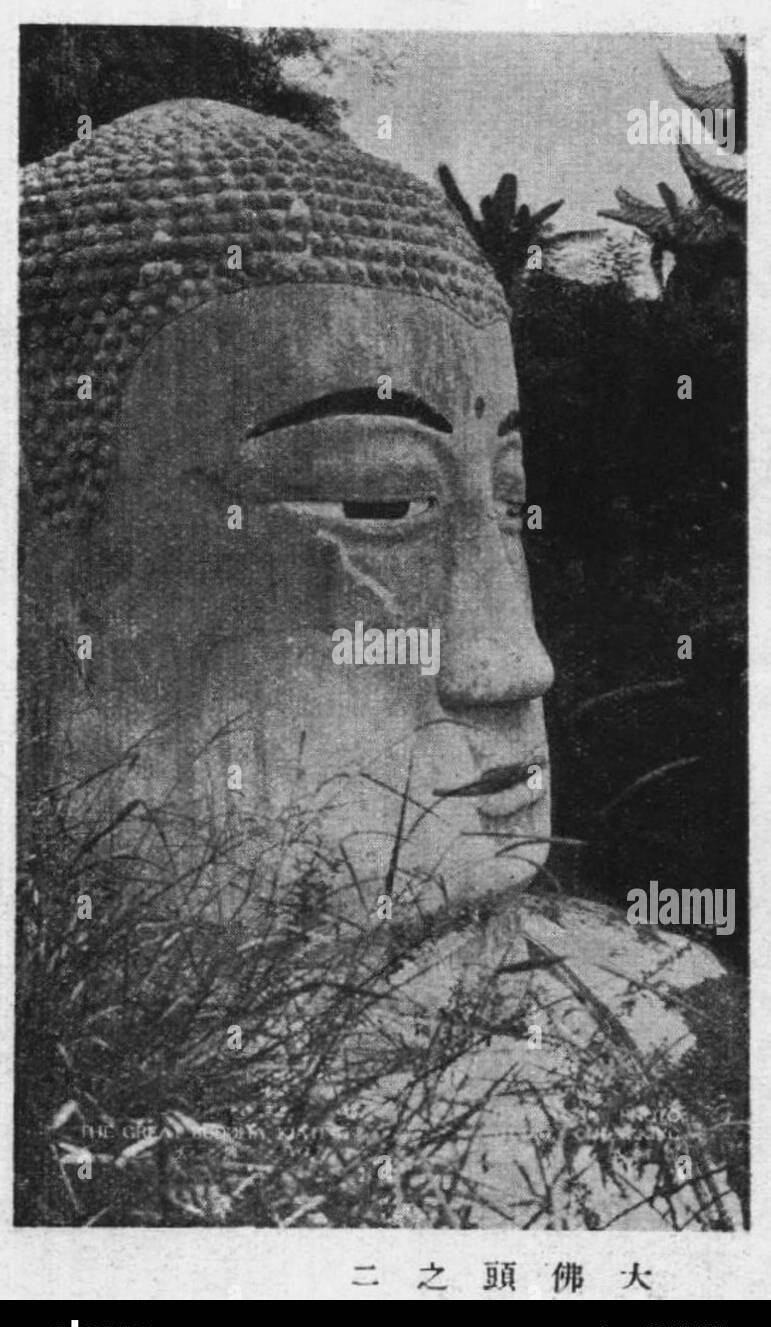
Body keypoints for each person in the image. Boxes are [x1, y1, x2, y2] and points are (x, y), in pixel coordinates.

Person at [19, 99, 745, 1228]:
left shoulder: (679, 1013)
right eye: (377, 499)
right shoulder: (74, 1155)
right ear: (47, 573)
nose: (517, 663)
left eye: (507, 509)